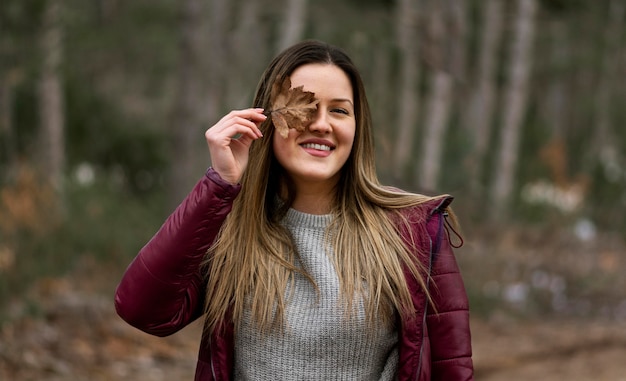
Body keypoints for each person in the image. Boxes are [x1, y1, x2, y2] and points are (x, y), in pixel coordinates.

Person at [114, 40, 473, 381]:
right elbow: (143, 311)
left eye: (339, 110)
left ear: (357, 126)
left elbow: (451, 370)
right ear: (267, 120)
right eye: (304, 108)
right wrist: (219, 186)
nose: (321, 123)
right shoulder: (230, 227)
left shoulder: (413, 230)